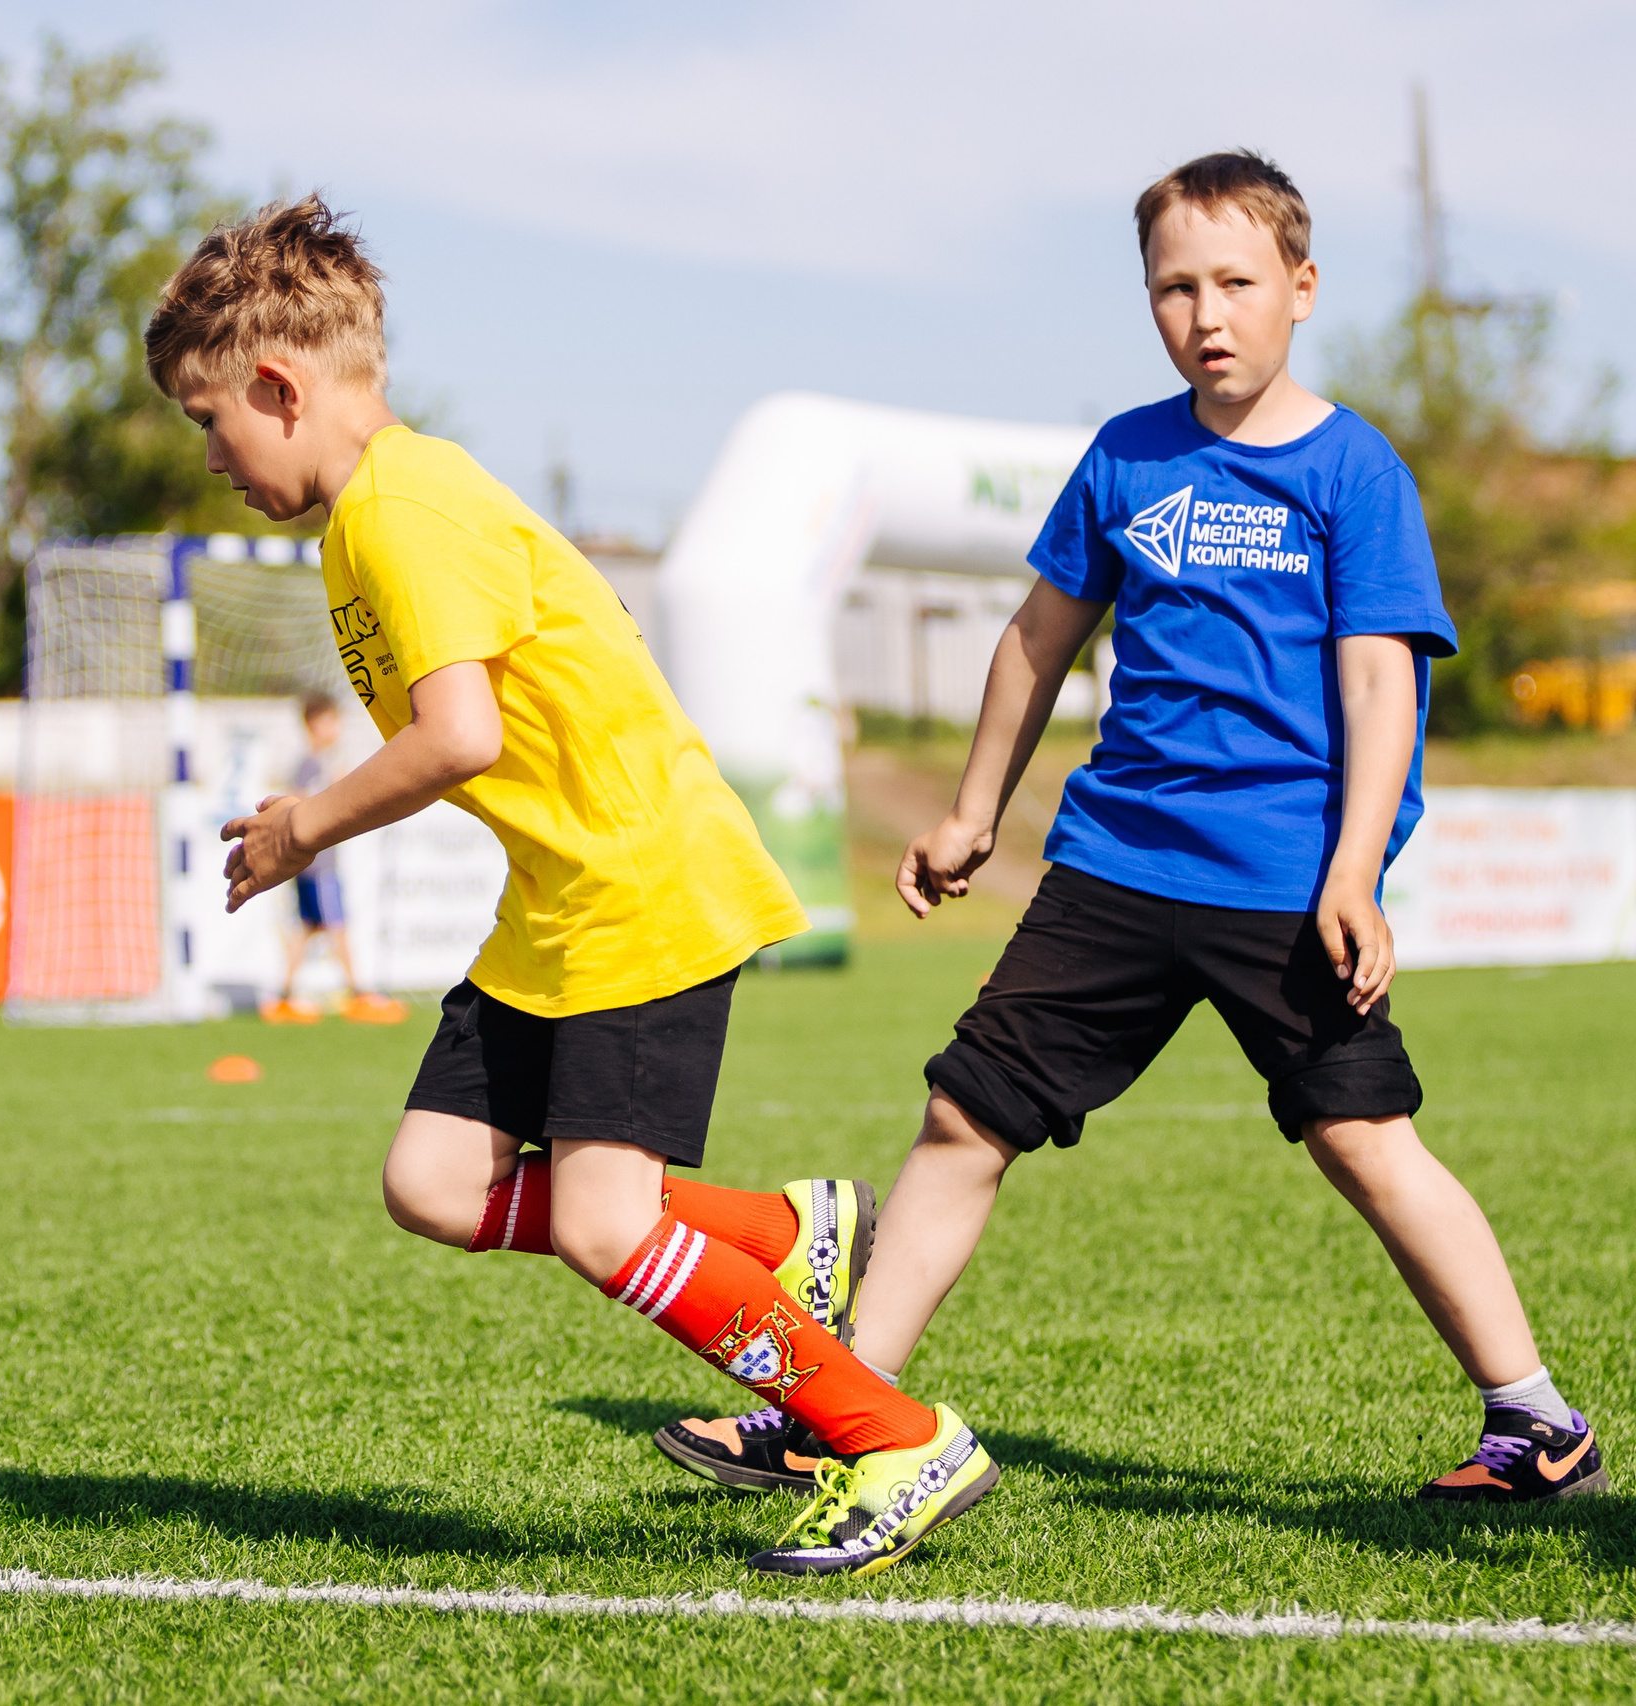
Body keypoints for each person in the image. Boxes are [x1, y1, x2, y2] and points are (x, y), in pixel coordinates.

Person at [664, 151, 1601, 1506]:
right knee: (961, 1117)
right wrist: (973, 809)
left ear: (1301, 288)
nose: (1206, 313)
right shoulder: (1126, 456)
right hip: (1111, 866)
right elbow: (1035, 639)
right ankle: (838, 1411)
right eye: (1175, 286)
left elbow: (1382, 680)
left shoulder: (1357, 471)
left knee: (1364, 1135)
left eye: (1235, 282)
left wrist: (1356, 871)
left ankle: (1536, 1423)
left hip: (1286, 879)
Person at [149, 196, 1000, 1577]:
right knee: (433, 1178)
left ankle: (897, 1435)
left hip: (639, 883)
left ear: (276, 383)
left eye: (208, 419)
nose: (212, 456)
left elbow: (458, 737)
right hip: (560, 898)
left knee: (610, 1221)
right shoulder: (372, 511)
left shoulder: (402, 511)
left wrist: (304, 827)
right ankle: (789, 1233)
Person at [264, 692, 405, 1025]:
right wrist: (336, 787)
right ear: (314, 724)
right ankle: (359, 994)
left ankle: (282, 997)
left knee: (307, 928)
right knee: (337, 926)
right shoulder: (309, 765)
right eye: (330, 720)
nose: (336, 728)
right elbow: (300, 805)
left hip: (315, 864)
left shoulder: (318, 763)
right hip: (319, 865)